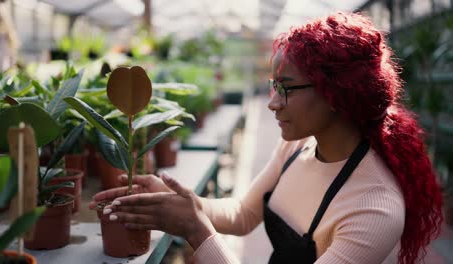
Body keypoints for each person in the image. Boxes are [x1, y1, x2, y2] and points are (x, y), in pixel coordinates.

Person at [89, 12, 443, 264]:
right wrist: (179, 202)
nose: (273, 103)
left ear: (338, 94)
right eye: (274, 86)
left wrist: (197, 232)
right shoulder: (299, 144)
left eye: (286, 88)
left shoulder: (373, 208)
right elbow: (243, 213)